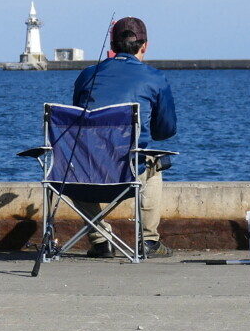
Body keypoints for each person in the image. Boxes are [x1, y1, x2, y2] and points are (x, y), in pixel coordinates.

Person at [72, 16, 177, 258]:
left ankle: (100, 240)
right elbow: (165, 132)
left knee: (70, 167)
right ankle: (148, 240)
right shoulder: (155, 77)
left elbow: (78, 123)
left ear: (112, 46)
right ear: (145, 46)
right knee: (155, 164)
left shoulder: (87, 75)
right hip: (127, 174)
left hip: (83, 175)